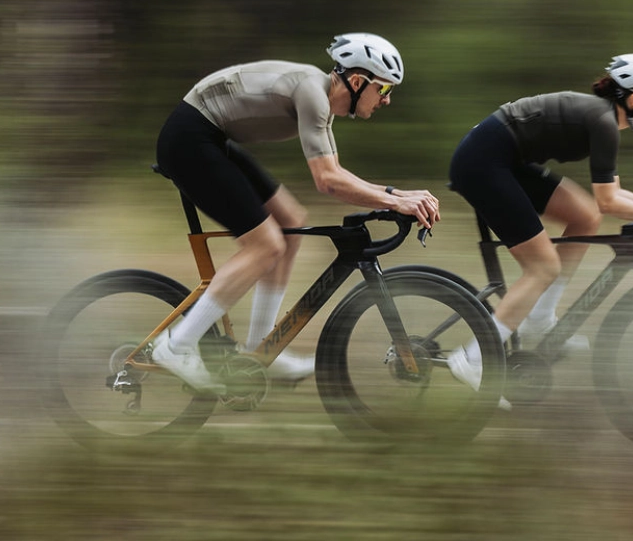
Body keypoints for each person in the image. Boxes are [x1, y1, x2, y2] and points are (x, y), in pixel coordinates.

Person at [150, 33, 441, 393]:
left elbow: (336, 174)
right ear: (356, 81)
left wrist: (397, 195)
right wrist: (397, 200)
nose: (388, 100)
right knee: (266, 246)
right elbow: (328, 182)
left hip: (209, 136)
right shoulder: (312, 95)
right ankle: (176, 347)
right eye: (383, 90)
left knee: (290, 220)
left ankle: (259, 351)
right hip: (189, 139)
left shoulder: (318, 100)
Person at [443, 53, 633, 390]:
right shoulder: (603, 122)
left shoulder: (605, 121)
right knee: (543, 267)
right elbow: (610, 201)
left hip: (503, 159)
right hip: (483, 164)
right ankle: (472, 358)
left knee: (585, 215)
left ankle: (538, 318)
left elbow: (613, 193)